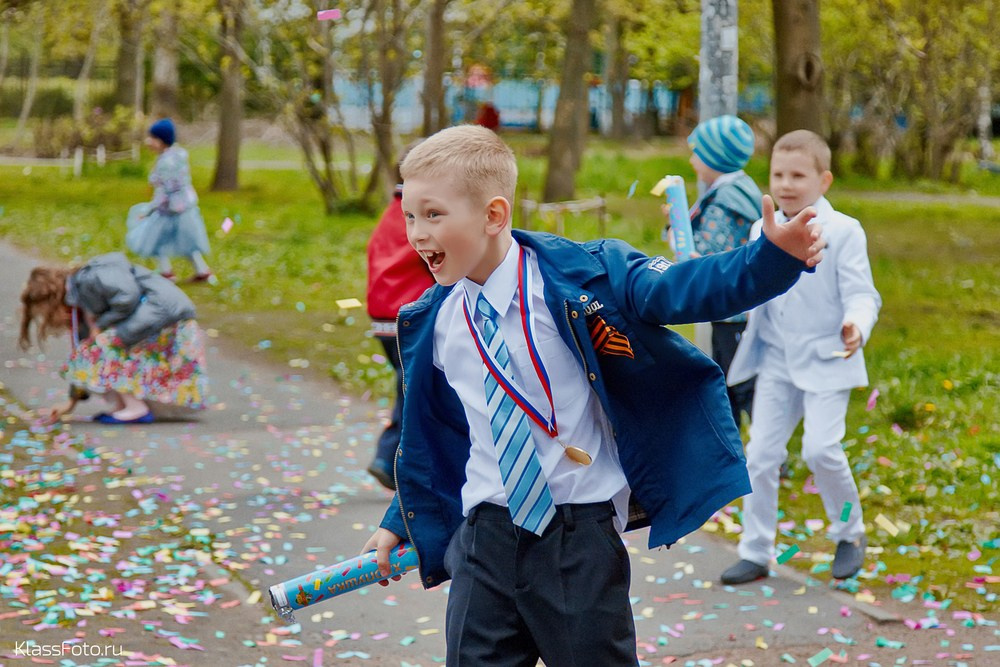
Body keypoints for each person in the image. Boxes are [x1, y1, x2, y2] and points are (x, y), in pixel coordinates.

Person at [360, 125, 827, 665]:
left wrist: (771, 258)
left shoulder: (583, 278)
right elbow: (441, 434)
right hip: (484, 539)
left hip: (577, 538)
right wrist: (402, 517)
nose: (417, 234)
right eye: (410, 216)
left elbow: (683, 287)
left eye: (434, 215)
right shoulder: (433, 320)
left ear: (493, 216)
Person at [720, 130, 881, 586]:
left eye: (798, 175)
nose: (786, 184)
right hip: (776, 357)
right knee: (760, 455)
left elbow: (863, 294)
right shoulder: (760, 228)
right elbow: (749, 284)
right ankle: (755, 550)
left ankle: (850, 531)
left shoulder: (845, 231)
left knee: (821, 450)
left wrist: (856, 324)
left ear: (823, 180)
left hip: (828, 357)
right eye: (778, 174)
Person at [19, 252, 209, 425]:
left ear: (53, 299)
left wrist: (100, 326)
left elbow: (127, 296)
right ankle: (123, 405)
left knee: (103, 346)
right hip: (155, 315)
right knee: (95, 348)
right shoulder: (79, 306)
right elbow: (82, 357)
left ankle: (135, 408)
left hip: (163, 311)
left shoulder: (89, 279)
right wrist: (71, 402)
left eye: (47, 313)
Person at [668, 114, 762, 429]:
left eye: (698, 153)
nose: (693, 160)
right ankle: (738, 444)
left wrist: (679, 234)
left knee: (741, 382)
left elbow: (707, 255)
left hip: (734, 312)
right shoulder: (738, 189)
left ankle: (773, 458)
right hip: (737, 309)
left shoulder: (725, 202)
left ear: (715, 158)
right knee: (727, 378)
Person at [365, 148, 435, 490]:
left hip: (382, 313)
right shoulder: (420, 218)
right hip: (407, 313)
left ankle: (391, 457)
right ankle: (393, 458)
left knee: (410, 387)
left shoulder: (391, 215)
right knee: (416, 391)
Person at [125, 118, 213, 283]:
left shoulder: (167, 163)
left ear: (163, 141)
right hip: (185, 208)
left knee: (155, 240)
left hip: (169, 210)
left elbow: (166, 192)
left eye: (153, 138)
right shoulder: (177, 155)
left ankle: (167, 273)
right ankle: (202, 271)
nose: (148, 142)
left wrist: (149, 211)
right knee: (187, 241)